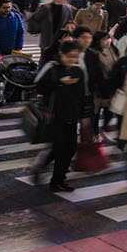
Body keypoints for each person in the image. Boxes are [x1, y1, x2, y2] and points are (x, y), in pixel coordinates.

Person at [33, 39, 90, 192]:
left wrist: (84, 116)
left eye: (75, 57)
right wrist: (59, 82)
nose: (72, 60)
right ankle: (43, 170)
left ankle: (58, 180)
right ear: (61, 53)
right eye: (69, 56)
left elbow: (83, 95)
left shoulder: (78, 70)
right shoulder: (52, 68)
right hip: (54, 116)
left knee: (70, 148)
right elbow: (38, 86)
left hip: (72, 116)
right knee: (58, 148)